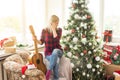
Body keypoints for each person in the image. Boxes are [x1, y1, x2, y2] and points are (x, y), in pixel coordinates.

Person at [35, 15, 63, 80]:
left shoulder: (59, 30)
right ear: (51, 22)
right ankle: (56, 78)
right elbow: (41, 42)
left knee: (55, 51)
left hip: (58, 51)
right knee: (56, 61)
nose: (57, 24)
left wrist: (53, 29)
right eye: (56, 23)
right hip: (48, 54)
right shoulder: (44, 30)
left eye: (58, 23)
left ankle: (48, 72)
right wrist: (35, 40)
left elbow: (57, 40)